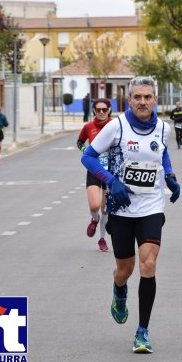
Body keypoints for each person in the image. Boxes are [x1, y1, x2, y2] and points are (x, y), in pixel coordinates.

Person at [81, 76, 181, 353]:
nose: (142, 102)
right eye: (137, 97)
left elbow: (163, 154)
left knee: (148, 265)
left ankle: (142, 331)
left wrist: (170, 176)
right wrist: (111, 181)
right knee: (125, 269)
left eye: (147, 97)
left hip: (151, 206)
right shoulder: (116, 127)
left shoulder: (163, 128)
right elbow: (87, 157)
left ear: (155, 100)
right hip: (121, 209)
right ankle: (119, 289)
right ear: (129, 99)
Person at [77, 98, 113, 252]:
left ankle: (102, 239)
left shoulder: (115, 126)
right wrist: (88, 153)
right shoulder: (88, 127)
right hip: (94, 169)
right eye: (98, 110)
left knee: (105, 208)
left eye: (104, 109)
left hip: (110, 171)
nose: (101, 112)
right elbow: (80, 142)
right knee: (94, 205)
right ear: (94, 111)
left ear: (109, 110)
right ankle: (94, 219)